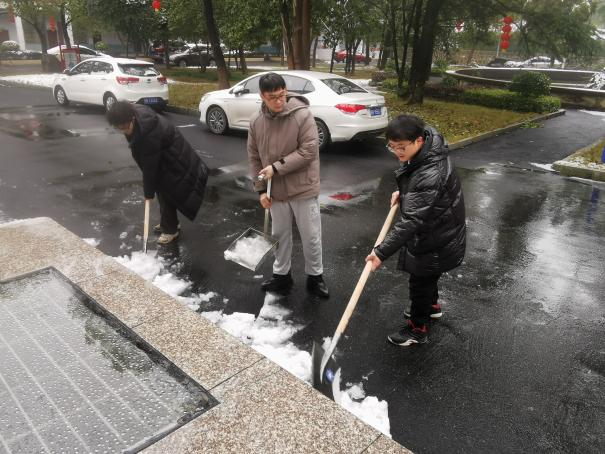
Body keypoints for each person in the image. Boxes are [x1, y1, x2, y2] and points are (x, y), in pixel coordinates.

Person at [366, 114, 466, 346]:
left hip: (436, 234)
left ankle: (417, 330)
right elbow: (422, 192)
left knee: (420, 281)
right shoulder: (430, 148)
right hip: (440, 225)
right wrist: (406, 194)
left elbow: (411, 220)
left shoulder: (430, 172)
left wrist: (380, 253)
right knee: (428, 275)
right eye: (392, 147)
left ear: (419, 141)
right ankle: (431, 308)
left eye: (401, 147)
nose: (397, 152)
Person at [247, 72, 329, 298]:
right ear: (262, 96)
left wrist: (276, 167)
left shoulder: (302, 115)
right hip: (275, 191)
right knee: (279, 235)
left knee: (310, 235)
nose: (278, 101)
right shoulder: (256, 121)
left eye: (281, 95)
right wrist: (261, 190)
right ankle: (281, 276)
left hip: (303, 188)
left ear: (286, 91)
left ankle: (315, 277)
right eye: (272, 97)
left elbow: (309, 151)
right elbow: (254, 157)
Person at [106, 101, 208, 244]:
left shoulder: (147, 134)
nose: (122, 130)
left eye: (123, 127)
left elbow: (149, 167)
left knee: (167, 194)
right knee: (163, 193)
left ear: (132, 119)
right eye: (118, 128)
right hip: (166, 155)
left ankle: (171, 230)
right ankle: (168, 223)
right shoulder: (133, 114)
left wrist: (148, 193)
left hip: (172, 160)